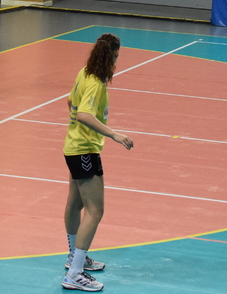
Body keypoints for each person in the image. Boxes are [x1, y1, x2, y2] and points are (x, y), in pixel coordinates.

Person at [62, 33, 134, 292]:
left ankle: (74, 258)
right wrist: (113, 134)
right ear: (112, 55)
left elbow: (70, 101)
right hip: (84, 151)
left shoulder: (84, 72)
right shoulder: (95, 82)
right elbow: (83, 113)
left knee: (75, 204)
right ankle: (74, 273)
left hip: (74, 146)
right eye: (117, 56)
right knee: (95, 211)